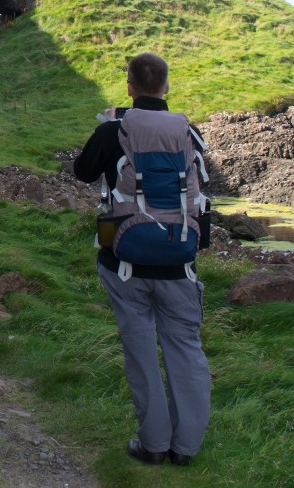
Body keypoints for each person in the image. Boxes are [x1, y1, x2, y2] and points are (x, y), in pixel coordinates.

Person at [73, 52, 211, 468]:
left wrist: (112, 124)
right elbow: (202, 189)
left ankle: (152, 445)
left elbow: (82, 172)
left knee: (141, 353)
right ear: (166, 87)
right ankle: (185, 449)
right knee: (186, 350)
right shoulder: (190, 132)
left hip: (125, 265)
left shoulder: (114, 130)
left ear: (129, 87)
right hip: (180, 261)